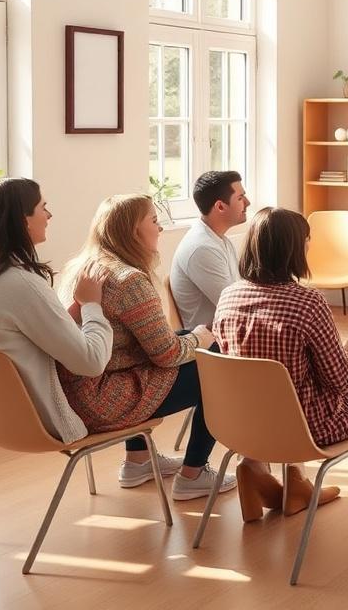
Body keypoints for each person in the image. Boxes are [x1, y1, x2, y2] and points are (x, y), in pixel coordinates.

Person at [57, 194, 236, 501]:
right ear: (131, 232)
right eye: (154, 221)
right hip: (104, 401)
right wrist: (201, 339)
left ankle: (137, 461)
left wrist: (189, 337)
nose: (161, 229)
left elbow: (148, 346)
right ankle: (194, 473)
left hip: (77, 394)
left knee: (179, 337)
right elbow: (167, 355)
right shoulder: (129, 281)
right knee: (219, 365)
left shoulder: (81, 267)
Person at [213, 207, 348, 523]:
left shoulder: (228, 297)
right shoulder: (308, 302)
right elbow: (340, 381)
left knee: (281, 392)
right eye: (306, 240)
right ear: (293, 248)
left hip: (241, 424)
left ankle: (256, 469)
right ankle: (296, 484)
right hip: (302, 430)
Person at [0, 178, 112, 445]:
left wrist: (72, 311)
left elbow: (16, 335)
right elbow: (91, 363)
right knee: (187, 371)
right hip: (48, 420)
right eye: (43, 207)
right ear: (23, 220)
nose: (49, 215)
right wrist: (92, 304)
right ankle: (183, 472)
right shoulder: (20, 283)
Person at [169, 171, 250, 329]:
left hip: (227, 332)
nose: (248, 202)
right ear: (220, 206)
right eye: (240, 198)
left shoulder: (219, 240)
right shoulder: (202, 248)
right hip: (212, 344)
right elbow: (234, 307)